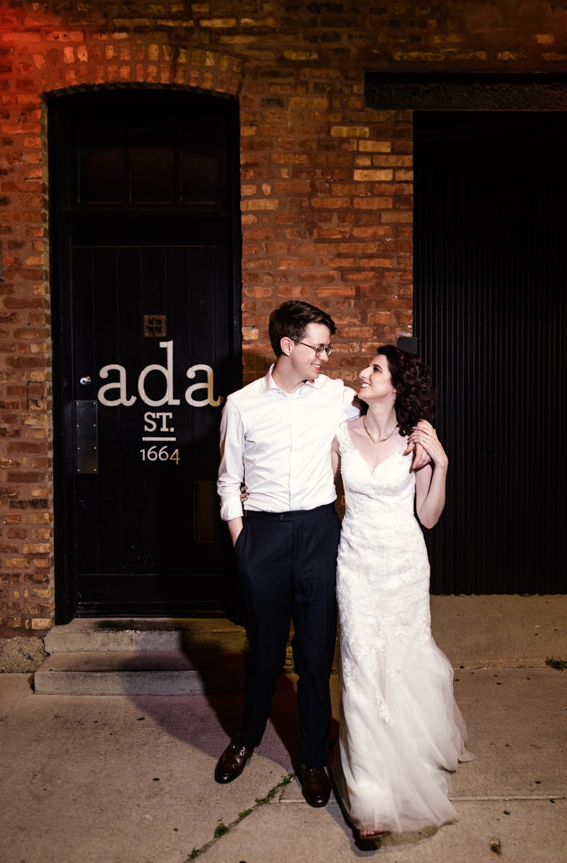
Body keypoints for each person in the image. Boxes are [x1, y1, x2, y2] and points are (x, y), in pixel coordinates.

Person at [215, 302, 427, 808]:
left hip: (318, 532)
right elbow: (227, 483)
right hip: (261, 536)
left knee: (314, 656)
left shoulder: (337, 397)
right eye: (319, 347)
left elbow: (387, 408)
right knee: (263, 653)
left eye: (328, 347)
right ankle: (246, 740)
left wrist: (423, 435)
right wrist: (244, 545)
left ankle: (312, 759)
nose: (327, 357)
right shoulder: (242, 404)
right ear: (288, 345)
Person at [331, 345, 473, 840]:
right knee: (361, 666)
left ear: (396, 385)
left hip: (405, 567)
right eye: (367, 368)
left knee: (402, 661)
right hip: (355, 565)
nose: (363, 374)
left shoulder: (417, 441)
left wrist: (443, 463)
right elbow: (315, 496)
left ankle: (411, 753)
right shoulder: (340, 435)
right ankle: (370, 793)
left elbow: (429, 517)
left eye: (375, 369)